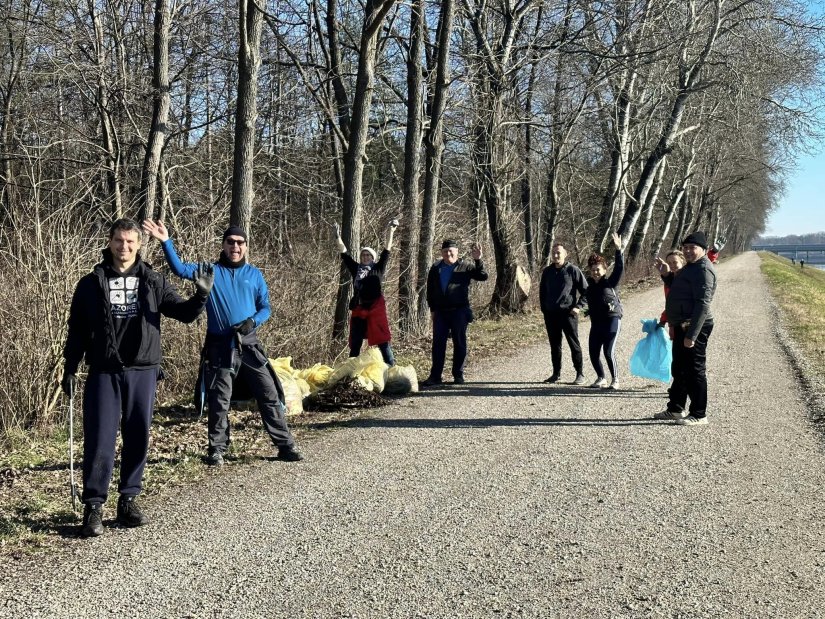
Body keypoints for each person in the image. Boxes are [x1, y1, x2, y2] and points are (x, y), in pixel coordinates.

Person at [62, 218, 213, 538]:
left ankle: (128, 501)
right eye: (119, 241)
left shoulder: (153, 281)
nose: (124, 247)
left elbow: (184, 314)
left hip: (143, 370)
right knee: (100, 439)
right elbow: (77, 330)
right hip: (104, 370)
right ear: (110, 241)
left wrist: (200, 296)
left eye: (130, 242)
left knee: (137, 436)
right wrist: (70, 368)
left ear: (139, 244)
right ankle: (93, 506)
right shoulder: (90, 283)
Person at [142, 220, 303, 465]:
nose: (235, 247)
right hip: (220, 346)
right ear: (224, 245)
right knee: (219, 400)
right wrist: (166, 241)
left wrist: (252, 322)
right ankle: (217, 449)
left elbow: (266, 308)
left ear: (246, 247)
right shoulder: (210, 271)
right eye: (230, 242)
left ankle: (285, 445)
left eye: (240, 243)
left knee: (268, 394)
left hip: (249, 344)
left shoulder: (254, 275)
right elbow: (179, 269)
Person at [653, 231, 717, 426]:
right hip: (682, 325)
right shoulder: (691, 266)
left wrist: (692, 335)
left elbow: (703, 305)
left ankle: (699, 413)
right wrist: (666, 275)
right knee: (679, 369)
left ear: (704, 250)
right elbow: (679, 287)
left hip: (694, 327)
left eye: (693, 247)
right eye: (686, 247)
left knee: (694, 371)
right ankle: (675, 409)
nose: (688, 251)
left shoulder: (703, 270)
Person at [421, 240, 488, 386]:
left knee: (459, 342)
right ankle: (435, 376)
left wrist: (478, 260)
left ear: (457, 252)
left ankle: (458, 375)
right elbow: (430, 291)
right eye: (445, 251)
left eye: (451, 251)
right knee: (438, 344)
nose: (448, 254)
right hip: (440, 312)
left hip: (459, 311)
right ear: (441, 253)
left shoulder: (465, 266)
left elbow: (482, 276)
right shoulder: (435, 267)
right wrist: (432, 309)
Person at [334, 219, 398, 366]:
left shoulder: (378, 269)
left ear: (373, 258)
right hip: (359, 310)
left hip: (376, 309)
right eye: (363, 255)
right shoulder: (356, 269)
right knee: (355, 342)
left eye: (368, 255)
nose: (365, 257)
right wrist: (338, 238)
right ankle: (350, 369)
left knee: (382, 341)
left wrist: (391, 231)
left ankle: (391, 367)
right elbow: (345, 254)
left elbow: (387, 250)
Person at [539, 242, 588, 384]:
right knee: (555, 345)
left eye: (558, 253)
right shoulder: (547, 272)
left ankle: (580, 374)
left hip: (568, 314)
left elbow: (586, 291)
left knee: (574, 344)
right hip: (551, 315)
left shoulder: (573, 270)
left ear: (565, 254)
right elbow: (542, 292)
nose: (555, 255)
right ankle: (556, 374)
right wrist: (545, 310)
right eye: (553, 253)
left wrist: (579, 306)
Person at [583, 233, 624, 389]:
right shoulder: (590, 287)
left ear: (604, 269)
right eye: (593, 270)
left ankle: (615, 379)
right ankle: (601, 378)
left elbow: (619, 268)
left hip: (612, 319)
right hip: (597, 323)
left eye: (598, 269)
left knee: (608, 351)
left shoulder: (610, 283)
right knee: (593, 352)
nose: (595, 272)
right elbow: (585, 299)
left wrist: (618, 250)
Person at [655, 249, 687, 340]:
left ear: (682, 261)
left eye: (675, 262)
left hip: (686, 322)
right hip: (674, 322)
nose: (672, 265)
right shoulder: (668, 280)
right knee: (677, 352)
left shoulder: (687, 278)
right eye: (669, 263)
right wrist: (663, 320)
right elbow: (670, 304)